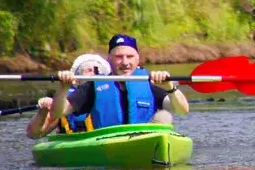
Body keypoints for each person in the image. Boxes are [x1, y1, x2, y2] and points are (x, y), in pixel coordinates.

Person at [48, 34, 189, 130]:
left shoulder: (149, 84)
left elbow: (182, 110)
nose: (125, 62)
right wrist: (63, 88)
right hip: (108, 141)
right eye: (119, 57)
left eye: (130, 56)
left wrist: (170, 87)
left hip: (145, 140)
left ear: (138, 59)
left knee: (165, 117)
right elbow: (57, 112)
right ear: (109, 59)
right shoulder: (94, 85)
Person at [26, 54, 111, 138]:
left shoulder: (109, 97)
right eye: (89, 70)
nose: (94, 74)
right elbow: (33, 134)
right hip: (71, 144)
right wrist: (43, 112)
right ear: (77, 79)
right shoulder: (64, 101)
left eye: (97, 71)